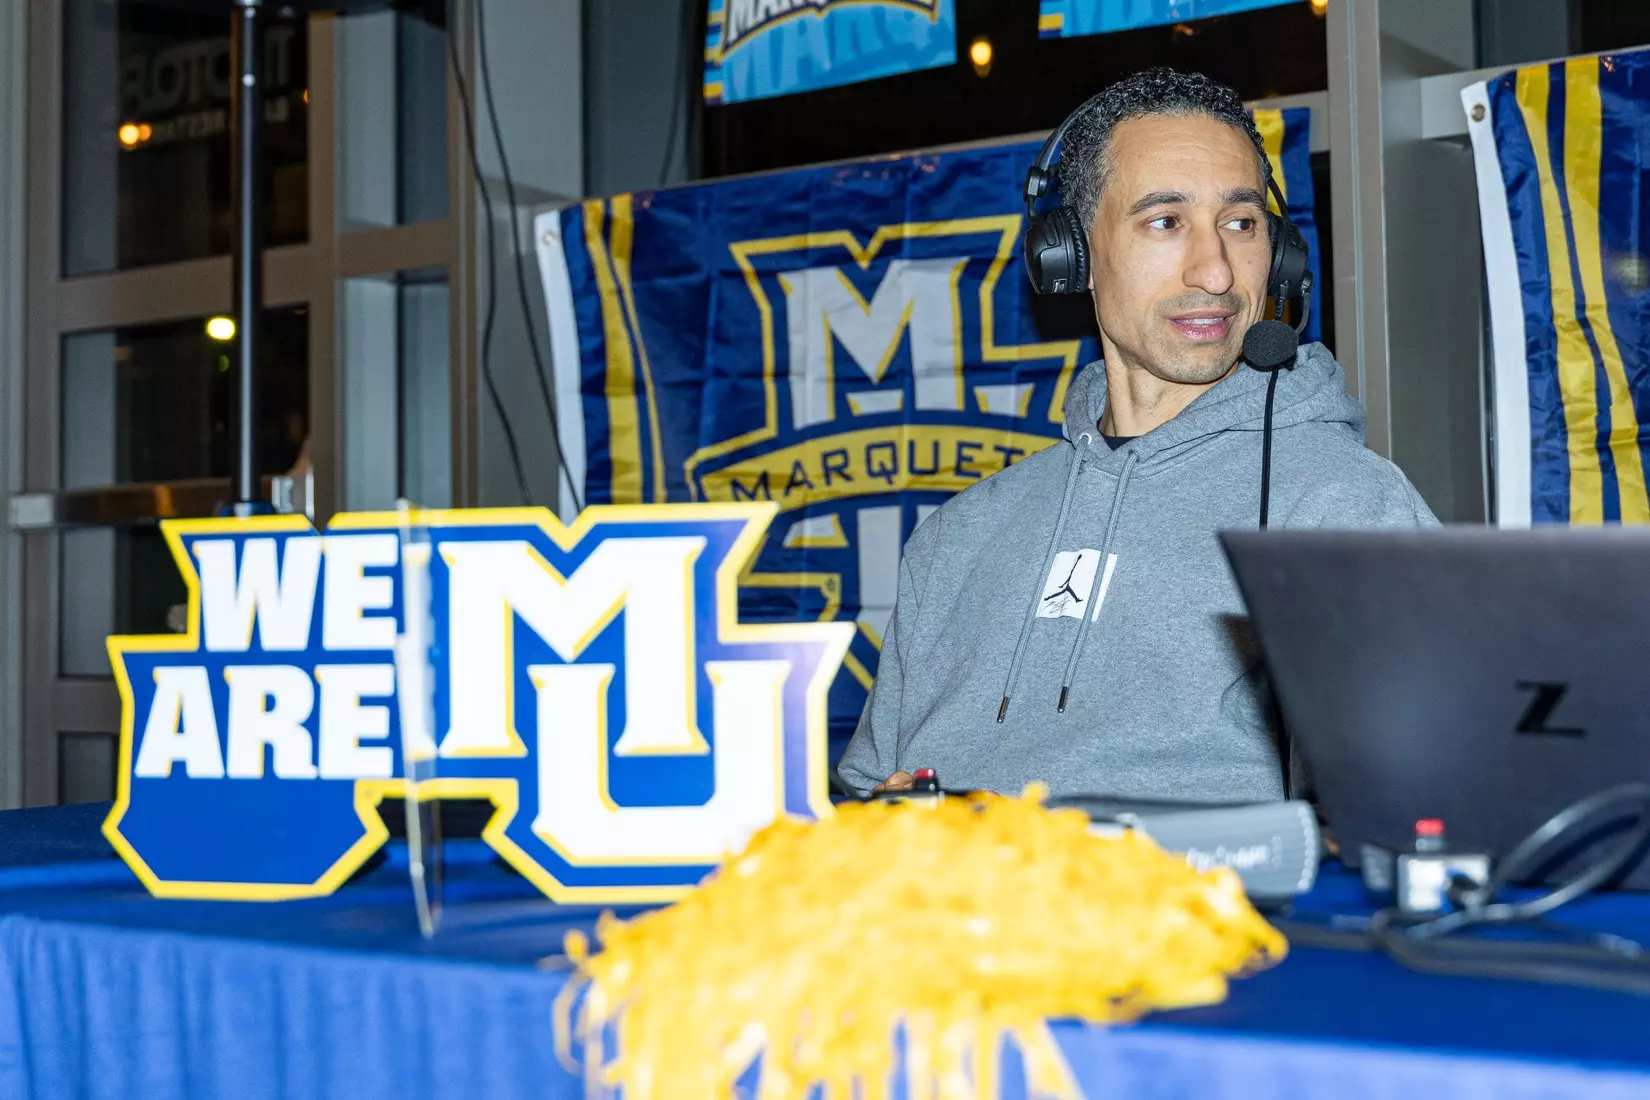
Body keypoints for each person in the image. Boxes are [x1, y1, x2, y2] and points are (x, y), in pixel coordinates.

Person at [836, 68, 1437, 803]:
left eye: (1241, 224)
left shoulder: (1345, 507)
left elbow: (1417, 804)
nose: (1216, 273)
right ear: (1072, 255)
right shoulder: (956, 537)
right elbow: (864, 794)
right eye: (1165, 221)